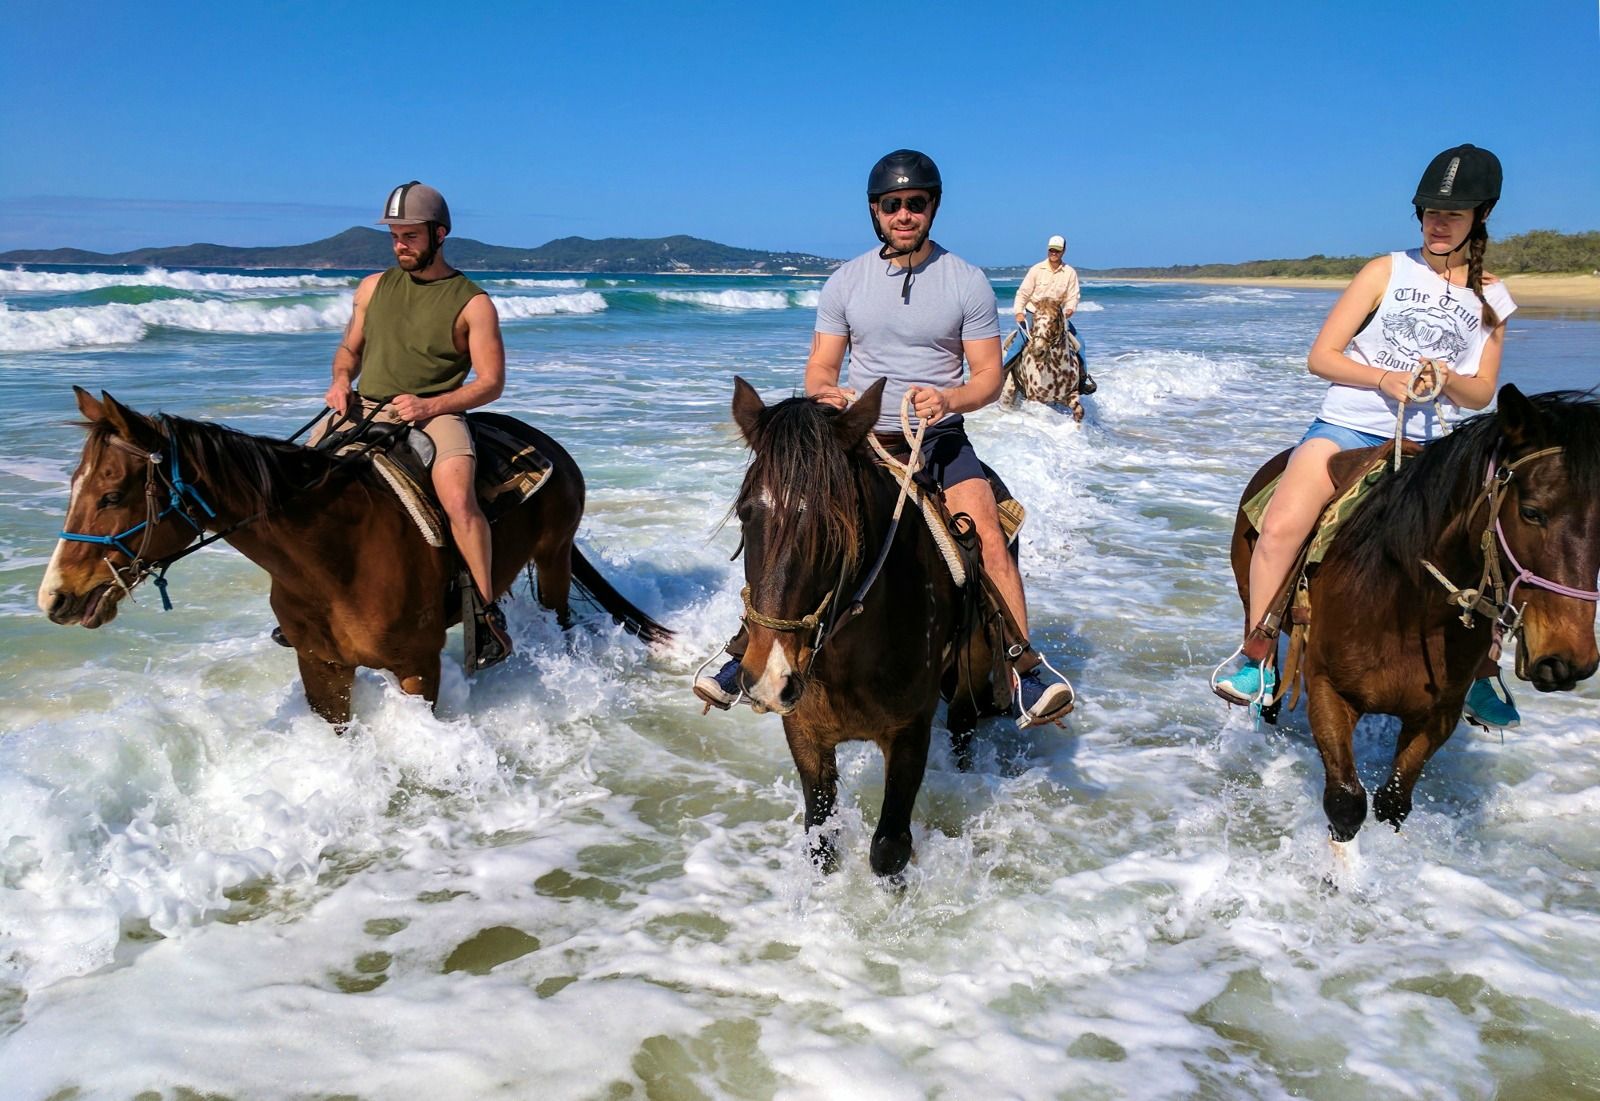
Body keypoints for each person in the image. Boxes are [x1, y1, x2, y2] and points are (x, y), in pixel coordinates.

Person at [696, 150, 1076, 728]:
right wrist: (829, 395)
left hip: (938, 443)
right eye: (892, 204)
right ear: (875, 212)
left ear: (932, 208)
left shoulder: (966, 281)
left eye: (915, 203)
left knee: (989, 535)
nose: (904, 213)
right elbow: (821, 367)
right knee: (785, 524)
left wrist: (947, 399)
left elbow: (990, 379)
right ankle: (744, 650)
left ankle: (1025, 666)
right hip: (860, 441)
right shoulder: (845, 281)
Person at [1213, 144, 1520, 728]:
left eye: (1452, 213)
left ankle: (1481, 667)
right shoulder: (1384, 271)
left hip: (1438, 446)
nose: (1437, 223)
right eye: (1429, 211)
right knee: (1280, 526)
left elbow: (1482, 393)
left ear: (1482, 214)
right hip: (1348, 425)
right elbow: (1320, 357)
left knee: (1497, 540)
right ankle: (1258, 652)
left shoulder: (1493, 297)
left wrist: (1445, 379)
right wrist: (1387, 377)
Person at [303, 181, 514, 668]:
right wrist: (339, 381)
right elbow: (349, 351)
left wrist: (431, 405)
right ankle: (308, 599)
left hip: (436, 414)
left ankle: (484, 615)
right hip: (364, 408)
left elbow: (491, 383)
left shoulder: (472, 302)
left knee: (459, 500)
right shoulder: (373, 287)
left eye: (411, 236)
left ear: (439, 234)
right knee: (302, 485)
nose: (400, 244)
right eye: (395, 235)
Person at [1013, 234, 1081, 329]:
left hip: (1057, 317)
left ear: (1064, 251)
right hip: (1034, 314)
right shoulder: (1036, 269)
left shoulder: (1070, 272)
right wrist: (1019, 313)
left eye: (1057, 250)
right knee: (1019, 342)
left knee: (1080, 344)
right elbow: (1023, 293)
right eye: (1051, 250)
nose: (1054, 253)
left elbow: (1073, 296)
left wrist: (1070, 309)